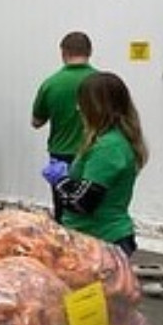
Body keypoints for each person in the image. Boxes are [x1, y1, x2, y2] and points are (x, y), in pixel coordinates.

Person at [42, 72, 146, 257]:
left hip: (101, 242)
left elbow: (83, 203)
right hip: (92, 239)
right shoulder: (109, 140)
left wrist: (60, 181)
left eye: (82, 103)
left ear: (96, 107)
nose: (78, 109)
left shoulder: (108, 147)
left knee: (92, 288)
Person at [32, 31, 96, 222]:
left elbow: (36, 122)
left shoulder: (51, 84)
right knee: (91, 207)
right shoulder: (100, 83)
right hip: (93, 152)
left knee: (63, 210)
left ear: (63, 52)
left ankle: (64, 247)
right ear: (90, 51)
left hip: (61, 156)